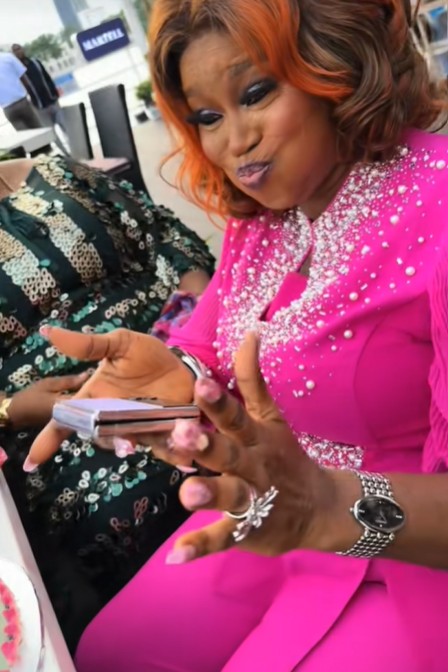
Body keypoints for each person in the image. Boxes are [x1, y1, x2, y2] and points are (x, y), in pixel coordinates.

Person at [28, 0, 448, 669]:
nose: (234, 141)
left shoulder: (438, 210)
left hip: (409, 549)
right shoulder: (264, 220)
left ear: (331, 66)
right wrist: (177, 380)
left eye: (255, 94)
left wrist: (332, 507)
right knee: (112, 653)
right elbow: (210, 349)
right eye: (207, 117)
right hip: (274, 514)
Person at [0, 153, 214, 648]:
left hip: (177, 341)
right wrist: (11, 408)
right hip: (59, 416)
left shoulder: (55, 171)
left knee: (257, 401)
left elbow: (164, 235)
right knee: (127, 500)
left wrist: (202, 327)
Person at [11, 44, 69, 154]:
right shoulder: (17, 72)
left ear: (23, 49)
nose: (18, 52)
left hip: (52, 101)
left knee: (66, 127)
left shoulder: (35, 62)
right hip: (39, 107)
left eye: (19, 49)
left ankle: (77, 151)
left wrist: (55, 94)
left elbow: (47, 77)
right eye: (15, 51)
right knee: (52, 135)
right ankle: (66, 154)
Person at [0, 51, 42, 130]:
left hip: (7, 108)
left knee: (26, 135)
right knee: (38, 130)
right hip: (22, 101)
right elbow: (23, 77)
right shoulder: (8, 57)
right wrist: (29, 93)